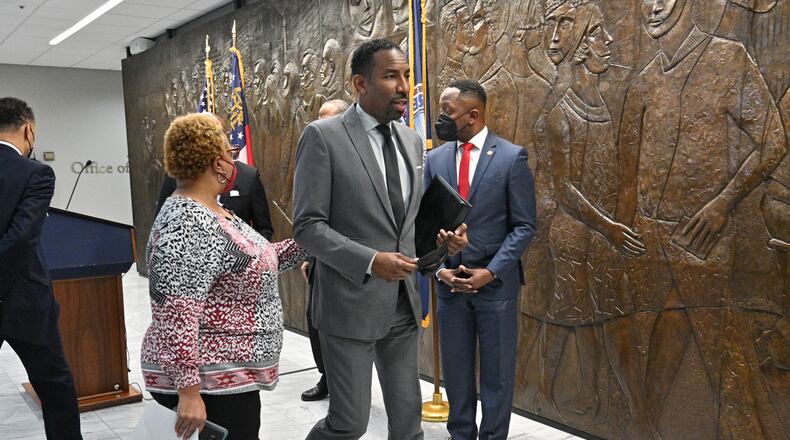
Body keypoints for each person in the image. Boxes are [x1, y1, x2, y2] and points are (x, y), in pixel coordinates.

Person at [617, 0, 785, 436]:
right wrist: (625, 230)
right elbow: (629, 173)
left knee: (724, 353)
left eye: (665, 0)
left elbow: (771, 141)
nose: (653, 9)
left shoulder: (726, 58)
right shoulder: (645, 79)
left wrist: (723, 203)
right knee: (659, 344)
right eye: (646, 2)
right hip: (651, 238)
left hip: (701, 238)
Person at [293, 39, 466, 440]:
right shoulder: (323, 137)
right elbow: (308, 227)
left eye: (405, 75)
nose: (404, 85)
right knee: (348, 424)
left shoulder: (409, 141)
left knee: (408, 424)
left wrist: (443, 242)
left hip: (404, 304)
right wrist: (371, 261)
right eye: (391, 76)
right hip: (350, 305)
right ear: (360, 83)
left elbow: (408, 225)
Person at [140, 113, 307, 440]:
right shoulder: (187, 222)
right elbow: (176, 312)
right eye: (229, 152)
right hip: (209, 386)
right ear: (218, 162)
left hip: (227, 379)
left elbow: (258, 259)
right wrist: (188, 392)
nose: (233, 159)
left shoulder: (212, 211)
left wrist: (311, 242)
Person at [425, 80, 536, 440]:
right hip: (450, 288)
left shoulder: (510, 156)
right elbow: (425, 223)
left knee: (497, 377)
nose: (440, 119)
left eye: (448, 112)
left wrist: (489, 272)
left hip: (495, 288)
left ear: (473, 115)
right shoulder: (436, 159)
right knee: (456, 374)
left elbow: (523, 226)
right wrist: (440, 269)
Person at [0, 97, 82, 439]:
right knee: (55, 388)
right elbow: (21, 238)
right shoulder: (36, 173)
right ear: (28, 129)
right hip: (25, 302)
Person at [299, 99, 349, 402]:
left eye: (327, 119)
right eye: (318, 118)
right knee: (315, 321)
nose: (319, 125)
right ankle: (327, 377)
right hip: (321, 258)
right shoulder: (317, 156)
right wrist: (309, 256)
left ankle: (347, 382)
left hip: (355, 260)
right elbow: (313, 216)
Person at [155, 114, 274, 241]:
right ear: (217, 164)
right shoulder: (186, 217)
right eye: (229, 153)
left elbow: (262, 232)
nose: (233, 162)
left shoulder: (247, 179)